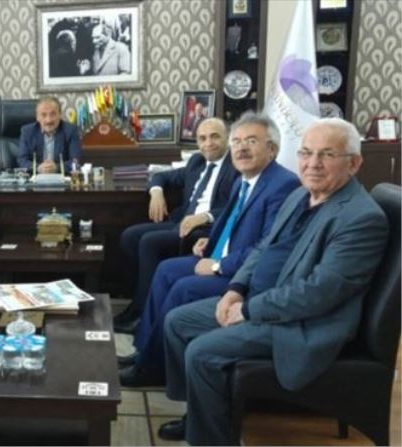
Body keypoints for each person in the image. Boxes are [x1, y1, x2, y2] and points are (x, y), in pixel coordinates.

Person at [157, 118, 389, 445]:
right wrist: (235, 289)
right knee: (177, 322)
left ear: (354, 163)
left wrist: (248, 309)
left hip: (300, 324)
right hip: (262, 301)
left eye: (327, 154)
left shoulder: (361, 218)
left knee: (201, 352)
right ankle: (199, 412)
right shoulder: (300, 195)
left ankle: (210, 438)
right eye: (306, 153)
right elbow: (263, 248)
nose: (313, 163)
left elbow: (319, 293)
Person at [119, 112, 300, 387]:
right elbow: (230, 221)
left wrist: (217, 266)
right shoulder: (245, 179)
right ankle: (145, 352)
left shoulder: (283, 185)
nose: (241, 148)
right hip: (222, 256)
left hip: (242, 276)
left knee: (183, 287)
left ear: (272, 149)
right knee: (165, 270)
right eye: (237, 141)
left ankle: (153, 369)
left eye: (251, 141)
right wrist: (210, 242)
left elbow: (268, 247)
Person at [115, 118, 238, 332]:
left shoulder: (235, 166)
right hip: (180, 223)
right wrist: (156, 192)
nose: (208, 143)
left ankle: (142, 315)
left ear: (227, 138)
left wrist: (206, 216)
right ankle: (138, 300)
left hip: (205, 231)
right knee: (129, 236)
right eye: (202, 138)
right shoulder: (197, 162)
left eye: (215, 137)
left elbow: (236, 206)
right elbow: (161, 176)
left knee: (150, 242)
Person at [16, 97, 81, 174]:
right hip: (35, 178)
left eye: (53, 114)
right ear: (37, 117)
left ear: (60, 115)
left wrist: (57, 167)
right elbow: (22, 160)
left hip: (61, 177)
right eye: (43, 115)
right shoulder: (27, 132)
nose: (48, 120)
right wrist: (37, 168)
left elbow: (75, 161)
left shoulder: (71, 131)